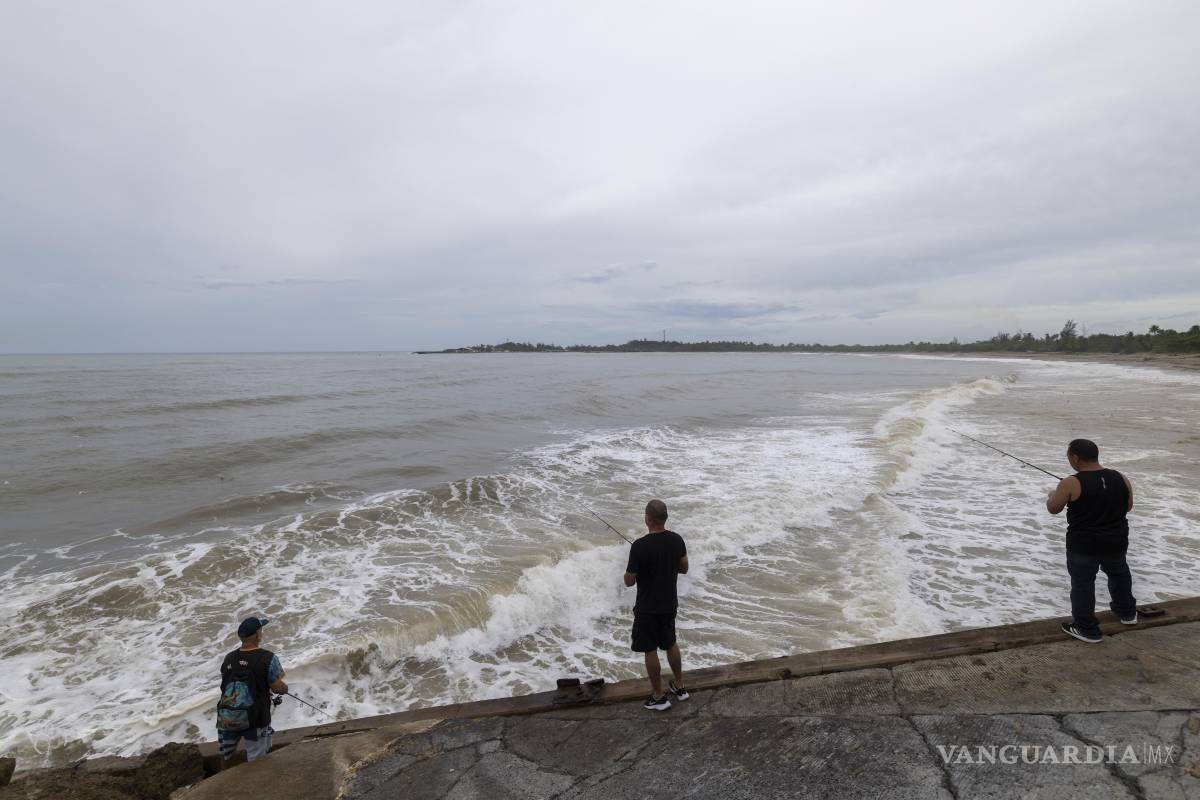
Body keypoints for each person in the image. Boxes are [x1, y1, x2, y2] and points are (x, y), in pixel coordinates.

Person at [1045, 439, 1137, 643]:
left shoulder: (1070, 482)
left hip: (1083, 545)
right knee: (1119, 574)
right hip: (1116, 540)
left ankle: (1086, 629)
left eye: (1069, 456)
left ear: (1075, 457)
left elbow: (1053, 508)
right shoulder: (1121, 477)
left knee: (1083, 583)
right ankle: (1128, 613)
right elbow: (1128, 506)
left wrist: (1053, 494)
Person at [623, 499, 689, 711]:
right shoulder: (677, 540)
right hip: (669, 603)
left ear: (648, 519)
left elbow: (629, 580)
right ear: (665, 518)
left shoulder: (640, 546)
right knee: (670, 643)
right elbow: (684, 568)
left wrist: (640, 569)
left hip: (647, 608)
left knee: (650, 650)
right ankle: (680, 687)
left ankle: (659, 697)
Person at [217, 617, 288, 765]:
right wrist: (284, 688)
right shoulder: (268, 658)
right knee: (257, 762)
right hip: (255, 719)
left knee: (226, 757)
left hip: (227, 717)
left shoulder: (229, 658)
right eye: (260, 630)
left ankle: (222, 782)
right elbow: (277, 687)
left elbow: (225, 683)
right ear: (257, 634)